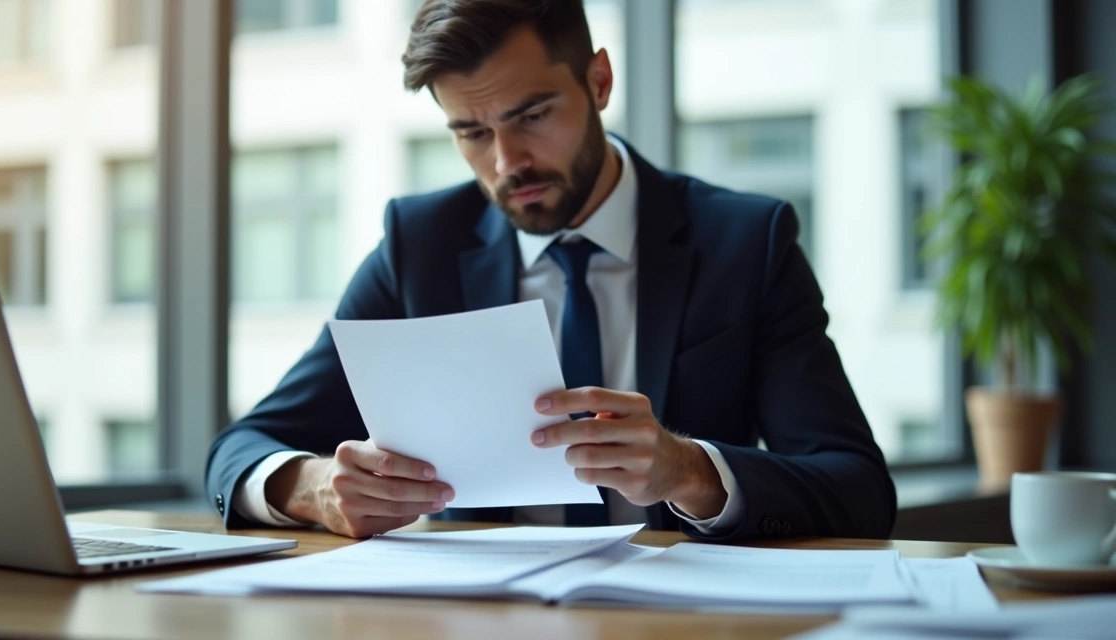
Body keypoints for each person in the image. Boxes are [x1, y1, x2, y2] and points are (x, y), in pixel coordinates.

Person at [205, 0, 896, 542]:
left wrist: (687, 470)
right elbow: (242, 447)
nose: (507, 163)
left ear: (598, 81)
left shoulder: (747, 243)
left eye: (531, 115)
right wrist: (314, 486)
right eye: (471, 133)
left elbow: (858, 489)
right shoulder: (419, 245)